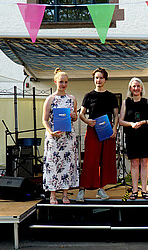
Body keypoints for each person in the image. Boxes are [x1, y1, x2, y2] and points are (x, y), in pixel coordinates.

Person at [76, 67, 119, 202]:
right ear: (94, 79)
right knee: (90, 160)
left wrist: (115, 128)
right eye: (96, 78)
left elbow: (117, 115)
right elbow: (81, 114)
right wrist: (87, 121)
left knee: (105, 160)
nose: (98, 80)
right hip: (93, 130)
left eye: (101, 78)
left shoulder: (111, 96)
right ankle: (82, 189)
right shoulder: (89, 96)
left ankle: (101, 189)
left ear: (105, 79)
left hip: (107, 130)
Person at [42, 68, 79, 204]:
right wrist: (51, 131)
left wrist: (74, 116)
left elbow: (74, 117)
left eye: (65, 82)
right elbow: (45, 119)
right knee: (53, 164)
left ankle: (65, 194)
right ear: (55, 81)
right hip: (54, 137)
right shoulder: (50, 99)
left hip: (68, 137)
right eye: (61, 82)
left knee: (67, 164)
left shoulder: (72, 99)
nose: (63, 84)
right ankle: (52, 194)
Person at [119, 77, 148, 200]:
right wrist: (131, 124)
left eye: (138, 86)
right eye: (133, 86)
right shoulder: (126, 102)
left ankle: (144, 190)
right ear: (130, 88)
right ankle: (135, 190)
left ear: (141, 88)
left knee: (145, 162)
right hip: (132, 136)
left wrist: (144, 122)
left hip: (145, 135)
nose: (136, 88)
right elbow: (120, 121)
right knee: (134, 163)